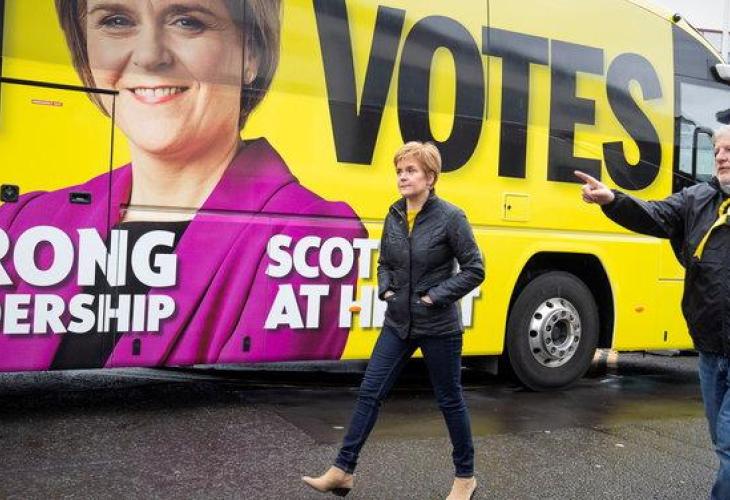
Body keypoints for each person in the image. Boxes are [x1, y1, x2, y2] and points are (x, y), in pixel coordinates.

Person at [0, 0, 365, 370]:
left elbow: (249, 407)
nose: (148, 56)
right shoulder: (22, 220)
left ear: (251, 54)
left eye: (187, 22)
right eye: (116, 20)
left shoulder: (310, 235)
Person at [302, 142, 485, 499]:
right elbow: (384, 261)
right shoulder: (394, 215)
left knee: (450, 400)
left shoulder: (451, 217)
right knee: (370, 393)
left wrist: (434, 297)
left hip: (438, 327)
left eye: (411, 170)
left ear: (430, 177)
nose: (403, 177)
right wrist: (386, 288)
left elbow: (475, 269)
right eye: (400, 171)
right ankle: (342, 470)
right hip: (398, 323)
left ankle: (465, 478)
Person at [576, 124, 730, 500]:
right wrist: (612, 200)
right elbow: (654, 214)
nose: (721, 158)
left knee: (729, 446)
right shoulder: (697, 199)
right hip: (710, 350)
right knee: (720, 440)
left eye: (729, 150)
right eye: (717, 151)